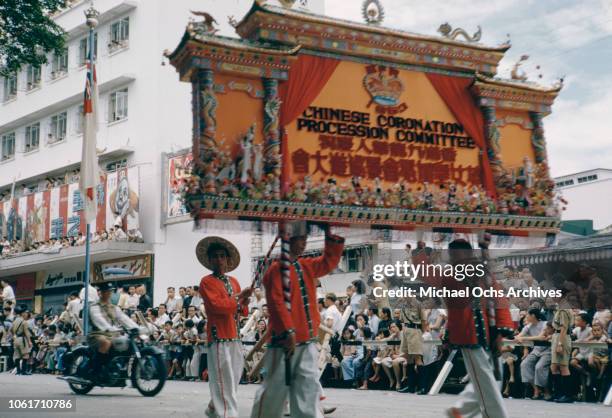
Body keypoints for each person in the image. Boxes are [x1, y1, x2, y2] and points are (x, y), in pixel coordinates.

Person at [250, 222, 344, 418]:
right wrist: (288, 331)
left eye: (304, 239)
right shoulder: (275, 270)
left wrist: (330, 232)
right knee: (273, 394)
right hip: (284, 343)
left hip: (307, 342)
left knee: (308, 392)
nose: (303, 243)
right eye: (299, 238)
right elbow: (277, 303)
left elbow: (329, 262)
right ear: (287, 240)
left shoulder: (306, 266)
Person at [417, 239, 515, 418]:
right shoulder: (450, 275)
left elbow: (499, 300)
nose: (454, 257)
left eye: (456, 253)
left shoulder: (484, 273)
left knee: (493, 378)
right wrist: (419, 251)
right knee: (486, 381)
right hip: (470, 333)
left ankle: (461, 411)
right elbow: (426, 274)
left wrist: (502, 330)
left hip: (490, 331)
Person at [197, 236, 252, 418]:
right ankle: (227, 414)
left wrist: (245, 300)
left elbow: (241, 312)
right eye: (215, 256)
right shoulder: (206, 282)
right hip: (219, 336)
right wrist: (238, 298)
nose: (219, 260)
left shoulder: (234, 281)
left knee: (233, 379)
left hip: (235, 335)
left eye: (222, 256)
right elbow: (216, 306)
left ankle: (214, 408)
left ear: (227, 259)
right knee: (224, 380)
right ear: (210, 260)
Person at [87, 282, 140, 383]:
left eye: (110, 291)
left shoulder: (114, 307)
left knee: (127, 344)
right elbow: (98, 319)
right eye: (106, 291)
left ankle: (118, 371)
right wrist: (108, 328)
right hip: (96, 334)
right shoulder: (94, 306)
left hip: (112, 334)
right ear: (100, 293)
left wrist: (136, 327)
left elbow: (124, 318)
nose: (108, 293)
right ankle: (95, 371)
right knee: (106, 343)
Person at [549, 305, 573, 403]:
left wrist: (560, 343)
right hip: (557, 336)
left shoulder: (564, 310)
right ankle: (558, 393)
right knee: (554, 366)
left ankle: (567, 395)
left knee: (563, 366)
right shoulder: (559, 309)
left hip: (562, 338)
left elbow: (564, 327)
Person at [11, 305, 32, 375]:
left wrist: (14, 336)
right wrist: (29, 341)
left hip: (16, 339)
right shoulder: (24, 321)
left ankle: (18, 371)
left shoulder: (14, 321)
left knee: (17, 355)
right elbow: (27, 333)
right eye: (25, 313)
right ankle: (23, 371)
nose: (26, 314)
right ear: (22, 313)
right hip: (22, 339)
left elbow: (11, 330)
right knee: (25, 355)